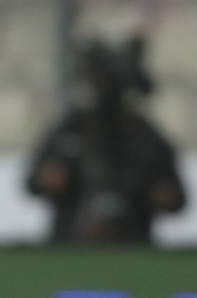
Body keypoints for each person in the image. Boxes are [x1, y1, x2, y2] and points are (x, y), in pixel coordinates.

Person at [25, 34, 187, 244]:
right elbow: (34, 182)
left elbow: (175, 196)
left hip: (134, 243)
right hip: (70, 242)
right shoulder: (72, 130)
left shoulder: (144, 136)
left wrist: (162, 194)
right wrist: (49, 179)